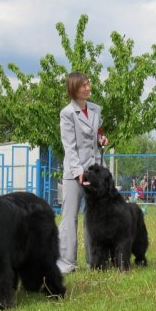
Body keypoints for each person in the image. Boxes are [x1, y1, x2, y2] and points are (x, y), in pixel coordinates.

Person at [56, 72, 108, 274]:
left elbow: (96, 135)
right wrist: (79, 172)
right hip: (74, 173)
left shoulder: (96, 109)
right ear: (73, 88)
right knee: (70, 217)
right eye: (83, 85)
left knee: (93, 216)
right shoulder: (67, 113)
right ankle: (66, 262)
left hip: (95, 171)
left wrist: (100, 140)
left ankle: (94, 261)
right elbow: (69, 146)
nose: (88, 87)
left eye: (88, 84)